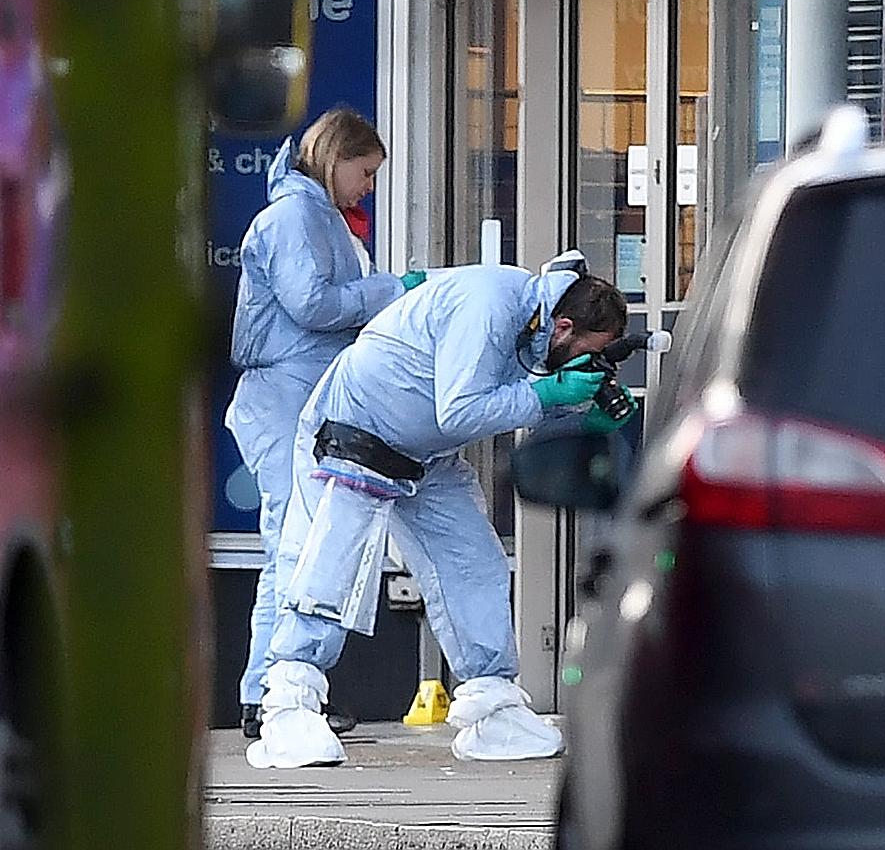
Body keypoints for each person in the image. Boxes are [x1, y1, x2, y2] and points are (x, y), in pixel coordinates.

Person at [247, 253, 635, 769]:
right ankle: (287, 707)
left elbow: (495, 395)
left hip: (421, 451)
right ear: (563, 325)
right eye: (588, 352)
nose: (585, 362)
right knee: (329, 572)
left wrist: (578, 404)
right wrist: (547, 396)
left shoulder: (530, 321)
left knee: (474, 564)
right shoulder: (491, 304)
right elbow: (461, 409)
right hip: (356, 433)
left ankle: (491, 707)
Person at [225, 108, 426, 740]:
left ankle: (276, 690)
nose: (368, 186)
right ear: (336, 157)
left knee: (298, 543)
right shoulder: (294, 217)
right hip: (284, 396)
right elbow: (311, 303)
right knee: (295, 544)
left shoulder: (314, 216)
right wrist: (392, 289)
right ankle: (269, 693)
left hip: (296, 393)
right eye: (364, 172)